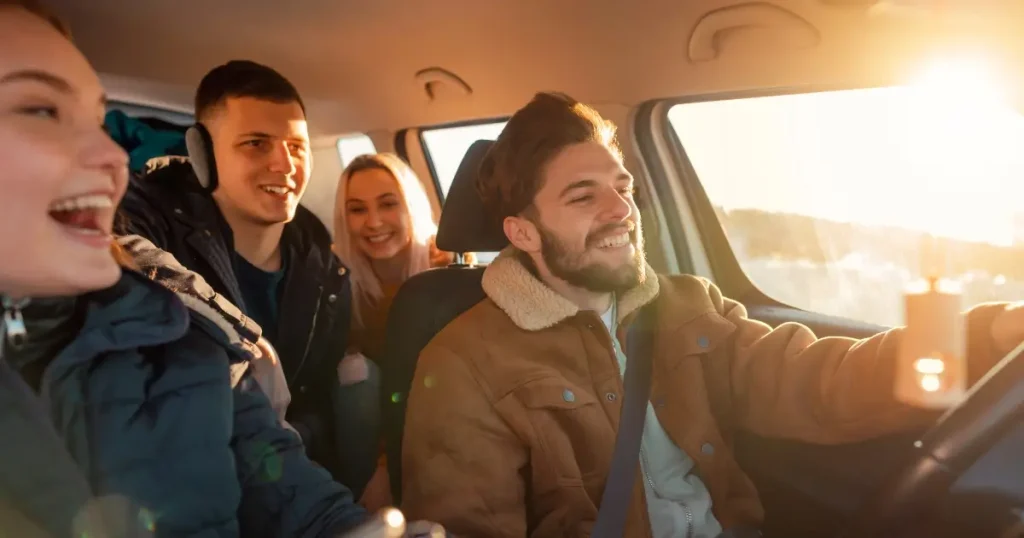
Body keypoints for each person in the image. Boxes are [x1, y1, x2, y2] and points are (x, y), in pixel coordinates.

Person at [399, 92, 1024, 537]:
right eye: (582, 196)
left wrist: (986, 332)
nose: (620, 210)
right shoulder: (462, 366)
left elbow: (817, 378)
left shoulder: (686, 306)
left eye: (621, 187)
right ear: (523, 233)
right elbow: (469, 528)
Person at [0, 2, 370, 535]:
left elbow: (301, 498)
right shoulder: (168, 278)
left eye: (99, 123)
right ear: (202, 155)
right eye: (41, 111)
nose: (111, 156)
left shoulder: (183, 344)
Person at [117, 59, 378, 497]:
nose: (284, 165)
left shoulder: (325, 270)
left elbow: (314, 406)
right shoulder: (149, 219)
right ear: (203, 153)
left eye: (296, 147)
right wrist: (237, 343)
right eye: (256, 143)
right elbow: (115, 251)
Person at [332, 153, 470, 510]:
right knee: (356, 376)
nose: (374, 222)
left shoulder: (448, 272)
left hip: (436, 409)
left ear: (411, 205)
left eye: (388, 204)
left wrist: (387, 468)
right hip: (369, 423)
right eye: (357, 209)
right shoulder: (336, 279)